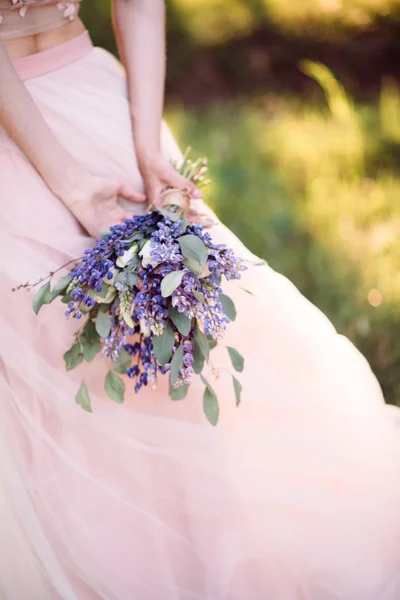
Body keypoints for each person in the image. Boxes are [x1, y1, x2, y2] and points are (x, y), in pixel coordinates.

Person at [0, 1, 399, 598]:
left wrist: (146, 145)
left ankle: (211, 563)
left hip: (94, 98)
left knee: (182, 355)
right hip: (14, 132)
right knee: (48, 355)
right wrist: (69, 182)